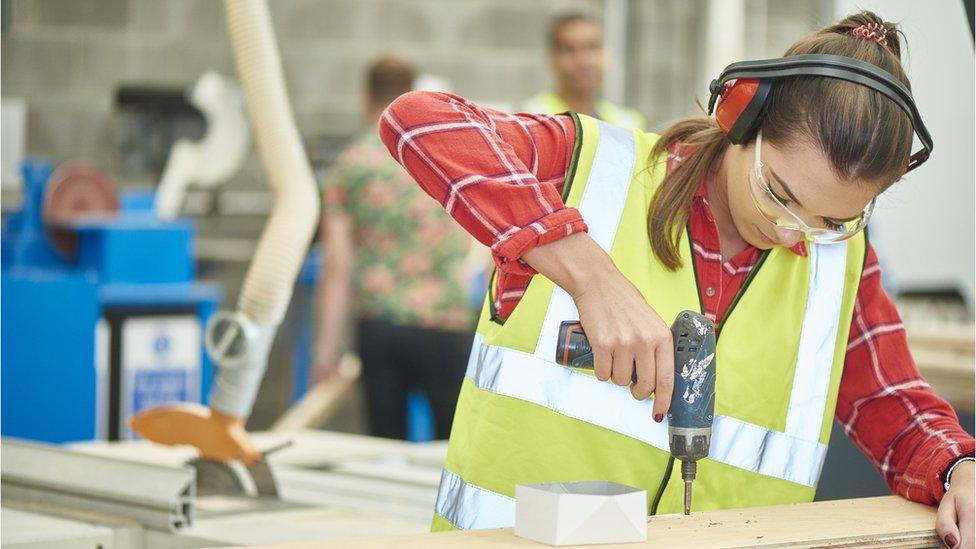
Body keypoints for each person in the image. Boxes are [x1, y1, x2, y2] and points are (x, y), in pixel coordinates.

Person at [379, 11, 975, 548]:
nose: (793, 233)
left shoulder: (840, 261)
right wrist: (591, 278)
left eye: (831, 220)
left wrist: (958, 470)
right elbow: (417, 122)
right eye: (779, 195)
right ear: (742, 116)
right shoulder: (591, 171)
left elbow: (889, 403)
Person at [314, 56, 475, 440]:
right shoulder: (444, 155)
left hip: (381, 325)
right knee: (451, 452)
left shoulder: (352, 163)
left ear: (364, 96)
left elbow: (336, 265)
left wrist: (326, 352)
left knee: (386, 452)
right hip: (445, 323)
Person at [521, 12, 646, 130]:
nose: (583, 61)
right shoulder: (531, 121)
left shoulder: (627, 124)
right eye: (569, 49)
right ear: (553, 58)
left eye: (592, 47)